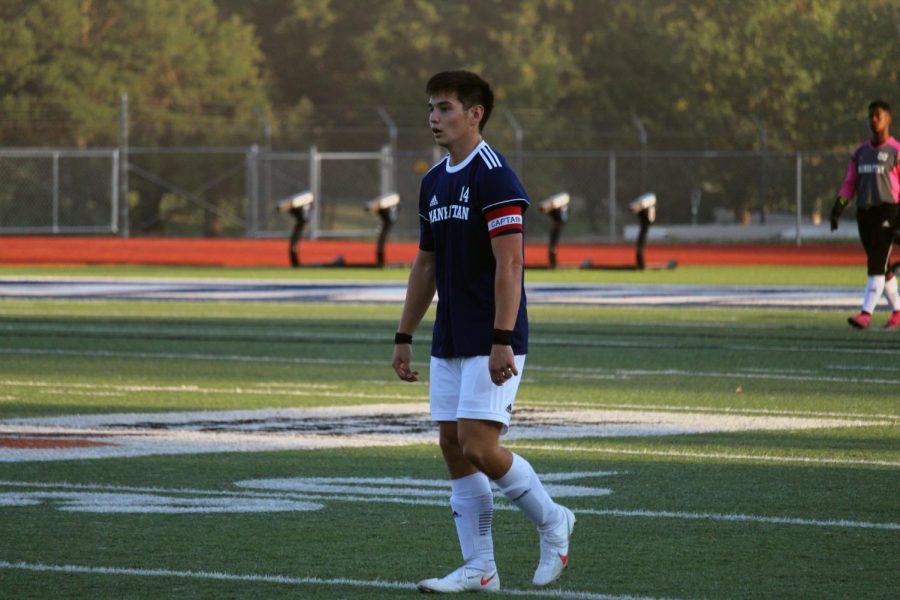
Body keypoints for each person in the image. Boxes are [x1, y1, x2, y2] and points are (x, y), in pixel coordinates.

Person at [391, 70, 575, 593]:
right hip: (449, 333)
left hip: (493, 334)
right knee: (452, 445)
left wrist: (502, 337)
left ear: (475, 114)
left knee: (478, 444)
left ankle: (552, 521)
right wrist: (404, 336)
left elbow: (510, 266)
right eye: (430, 107)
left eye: (445, 107)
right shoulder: (433, 180)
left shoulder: (494, 176)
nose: (434, 117)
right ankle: (481, 568)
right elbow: (424, 266)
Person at [831, 100, 900, 329]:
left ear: (888, 119)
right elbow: (850, 182)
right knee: (883, 265)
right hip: (865, 213)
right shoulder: (860, 153)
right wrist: (839, 206)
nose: (874, 120)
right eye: (870, 116)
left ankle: (865, 314)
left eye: (878, 115)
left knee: (876, 264)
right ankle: (898, 312)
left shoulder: (896, 151)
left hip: (888, 210)